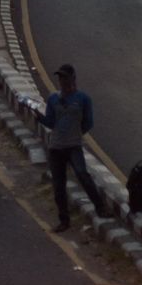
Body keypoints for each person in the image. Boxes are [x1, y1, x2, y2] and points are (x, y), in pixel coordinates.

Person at [33, 65, 111, 232]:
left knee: (82, 174)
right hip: (56, 147)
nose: (62, 81)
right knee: (58, 185)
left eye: (65, 78)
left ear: (72, 79)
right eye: (60, 78)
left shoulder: (83, 99)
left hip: (73, 145)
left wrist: (75, 134)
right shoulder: (53, 99)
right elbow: (51, 122)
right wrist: (39, 118)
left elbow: (88, 122)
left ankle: (100, 207)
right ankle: (64, 220)